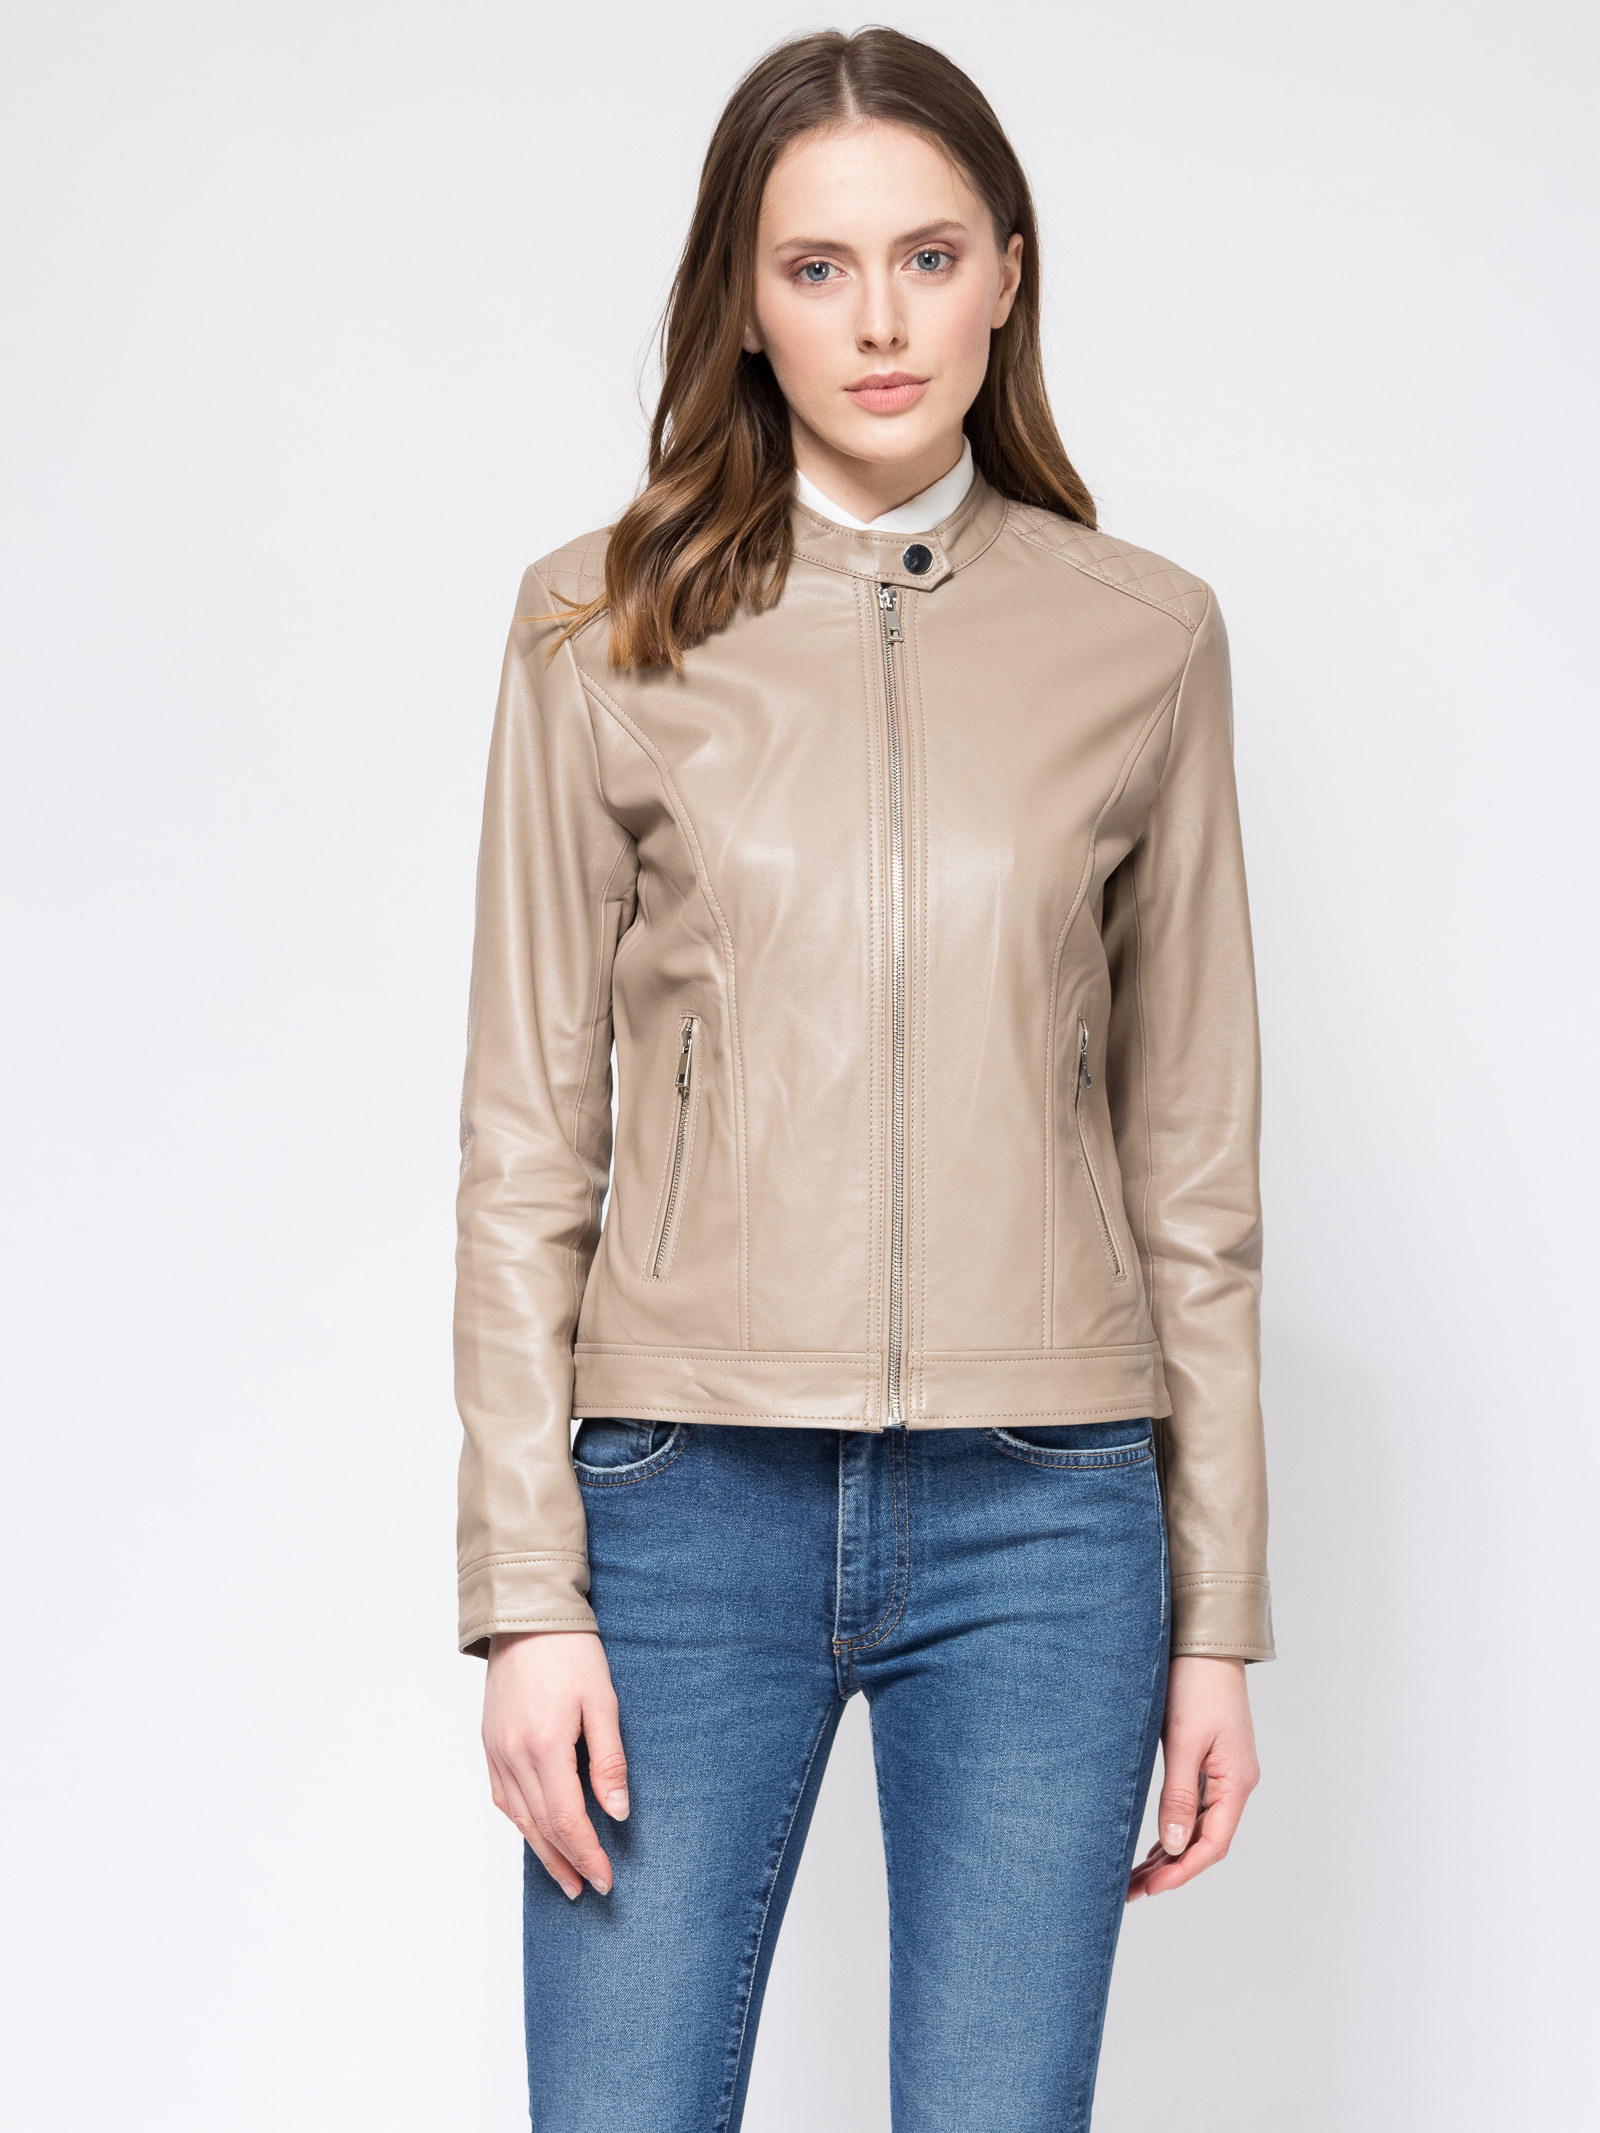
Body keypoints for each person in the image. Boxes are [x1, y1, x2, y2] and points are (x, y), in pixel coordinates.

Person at [453, 26, 1273, 2132]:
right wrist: (524, 1592)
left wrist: (1214, 1620)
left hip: (1045, 1518)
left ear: (1007, 271)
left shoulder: (1142, 637)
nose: (880, 320)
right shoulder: (595, 627)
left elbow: (1190, 1165)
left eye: (927, 255)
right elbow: (525, 1145)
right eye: (815, 267)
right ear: (743, 299)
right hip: (681, 1510)